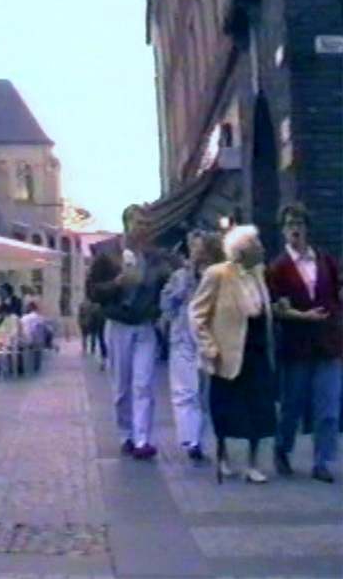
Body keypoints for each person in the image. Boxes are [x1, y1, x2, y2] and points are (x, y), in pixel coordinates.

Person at [189, 225, 277, 484]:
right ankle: (224, 456)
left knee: (259, 407)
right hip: (228, 352)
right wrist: (209, 347)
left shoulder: (260, 273)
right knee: (225, 407)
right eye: (256, 244)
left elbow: (261, 307)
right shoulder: (218, 274)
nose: (262, 248)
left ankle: (253, 463)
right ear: (242, 250)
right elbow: (196, 314)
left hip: (257, 347)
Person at [86, 205, 172, 459]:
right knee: (122, 386)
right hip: (119, 325)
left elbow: (163, 286)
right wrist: (116, 284)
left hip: (144, 325)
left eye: (146, 223)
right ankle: (126, 434)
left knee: (144, 383)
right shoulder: (108, 254)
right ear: (126, 224)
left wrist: (158, 310)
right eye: (138, 223)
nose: (143, 228)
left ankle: (143, 440)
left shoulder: (154, 257)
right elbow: (92, 291)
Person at [268, 203, 342, 484]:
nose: (295, 229)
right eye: (289, 224)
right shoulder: (278, 267)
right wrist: (300, 315)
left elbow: (337, 293)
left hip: (328, 344)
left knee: (328, 408)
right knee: (292, 407)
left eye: (299, 223)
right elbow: (274, 307)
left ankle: (322, 461)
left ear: (307, 228)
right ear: (283, 230)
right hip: (296, 347)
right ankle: (282, 448)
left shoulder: (325, 261)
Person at [160, 230, 224, 463]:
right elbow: (165, 304)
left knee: (204, 394)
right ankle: (191, 441)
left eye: (201, 247)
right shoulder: (179, 277)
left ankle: (199, 437)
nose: (197, 252)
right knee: (185, 390)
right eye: (193, 247)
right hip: (182, 338)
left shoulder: (216, 276)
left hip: (209, 339)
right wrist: (179, 293)